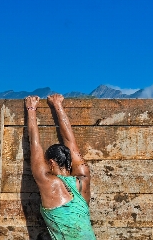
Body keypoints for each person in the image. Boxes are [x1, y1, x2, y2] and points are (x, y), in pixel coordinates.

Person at [25, 94, 97, 240]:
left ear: (51, 162)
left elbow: (35, 145)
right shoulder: (83, 179)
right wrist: (58, 105)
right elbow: (71, 142)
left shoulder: (48, 182)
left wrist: (31, 109)